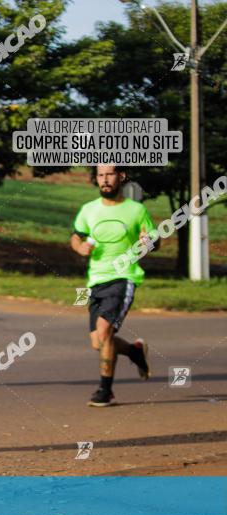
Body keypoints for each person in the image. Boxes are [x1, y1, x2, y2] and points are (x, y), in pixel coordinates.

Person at [70, 165, 153, 407]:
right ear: (96, 179)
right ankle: (135, 351)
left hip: (124, 276)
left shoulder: (137, 210)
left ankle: (105, 391)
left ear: (121, 177)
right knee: (98, 341)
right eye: (101, 175)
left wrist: (148, 242)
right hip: (96, 280)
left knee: (105, 332)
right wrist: (79, 247)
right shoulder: (88, 210)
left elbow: (153, 239)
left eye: (110, 175)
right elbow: (76, 235)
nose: (105, 180)